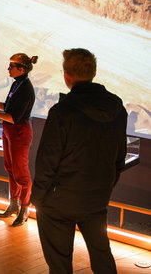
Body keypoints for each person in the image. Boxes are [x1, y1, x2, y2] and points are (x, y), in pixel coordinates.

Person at [31, 48, 127, 274]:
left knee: (60, 265)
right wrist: (105, 188)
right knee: (102, 257)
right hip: (96, 198)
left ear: (67, 76)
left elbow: (47, 161)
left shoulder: (62, 111)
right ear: (93, 73)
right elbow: (119, 158)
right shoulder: (117, 108)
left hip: (58, 202)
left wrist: (37, 198)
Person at [0, 53, 37, 226]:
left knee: (21, 172)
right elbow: (7, 107)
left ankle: (24, 207)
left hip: (19, 132)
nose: (8, 69)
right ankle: (13, 204)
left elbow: (14, 117)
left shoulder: (26, 89)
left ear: (21, 69)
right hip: (9, 130)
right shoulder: (17, 84)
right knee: (10, 168)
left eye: (11, 66)